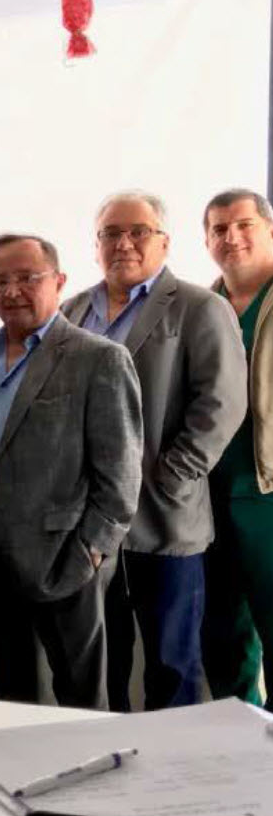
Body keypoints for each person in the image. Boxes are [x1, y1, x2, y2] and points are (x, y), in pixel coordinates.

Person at [61, 192, 245, 710]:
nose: (123, 243)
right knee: (104, 662)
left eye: (138, 231)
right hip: (92, 523)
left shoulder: (198, 307)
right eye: (110, 234)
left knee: (171, 664)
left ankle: (171, 782)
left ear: (164, 240)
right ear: (95, 246)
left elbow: (223, 401)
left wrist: (172, 475)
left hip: (165, 519)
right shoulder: (75, 310)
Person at [0, 234, 141, 710]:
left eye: (26, 279)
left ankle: (92, 783)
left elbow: (120, 476)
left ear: (59, 281)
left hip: (66, 553)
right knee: (12, 692)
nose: (11, 291)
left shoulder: (98, 358)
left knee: (80, 696)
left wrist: (91, 550)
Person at [202, 188, 273, 707]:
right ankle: (238, 738)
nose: (232, 237)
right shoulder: (202, 308)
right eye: (219, 229)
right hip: (208, 494)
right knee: (222, 631)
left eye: (244, 224)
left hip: (267, 491)